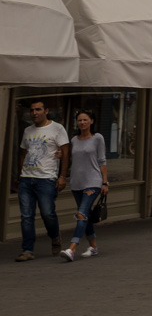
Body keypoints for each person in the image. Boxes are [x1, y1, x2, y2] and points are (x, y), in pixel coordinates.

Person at [16, 99, 69, 261]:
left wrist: (62, 176)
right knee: (26, 216)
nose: (34, 113)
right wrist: (21, 174)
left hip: (46, 179)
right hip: (26, 179)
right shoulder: (28, 130)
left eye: (38, 109)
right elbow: (23, 153)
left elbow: (66, 153)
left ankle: (55, 236)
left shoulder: (57, 128)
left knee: (47, 213)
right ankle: (27, 250)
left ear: (46, 111)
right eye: (32, 110)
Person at [59, 109, 108, 262]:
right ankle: (93, 247)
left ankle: (72, 248)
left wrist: (105, 182)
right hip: (76, 183)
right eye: (79, 120)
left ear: (91, 121)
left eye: (85, 119)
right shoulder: (74, 140)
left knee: (81, 214)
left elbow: (102, 161)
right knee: (85, 214)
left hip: (93, 182)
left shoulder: (97, 138)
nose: (82, 122)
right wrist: (60, 155)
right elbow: (70, 159)